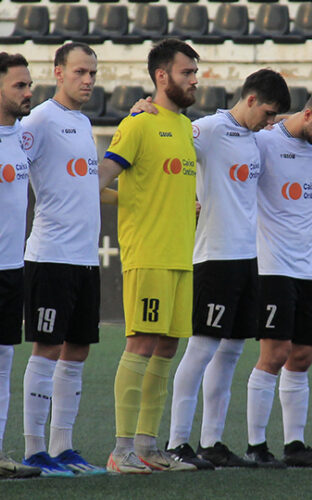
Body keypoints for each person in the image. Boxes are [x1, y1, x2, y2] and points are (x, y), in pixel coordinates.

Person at [163, 69, 291, 469]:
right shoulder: (207, 130)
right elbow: (166, 143)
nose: (270, 122)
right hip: (213, 258)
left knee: (232, 351)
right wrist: (143, 110)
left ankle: (211, 442)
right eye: (268, 113)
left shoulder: (256, 138)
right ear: (250, 99)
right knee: (201, 348)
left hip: (245, 258)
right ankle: (176, 442)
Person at [98, 39, 199, 474]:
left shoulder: (183, 127)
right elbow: (97, 179)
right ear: (162, 76)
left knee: (167, 348)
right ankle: (120, 451)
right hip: (149, 253)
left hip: (181, 255)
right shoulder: (138, 124)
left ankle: (147, 447)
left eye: (195, 73)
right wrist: (128, 203)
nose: (194, 80)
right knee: (141, 343)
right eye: (186, 73)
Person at [244, 87, 312, 468]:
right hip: (271, 266)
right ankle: (256, 445)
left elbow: (308, 197)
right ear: (308, 115)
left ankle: (294, 444)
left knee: (302, 356)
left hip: (306, 267)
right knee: (274, 354)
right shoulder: (264, 142)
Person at [20, 42, 105, 477]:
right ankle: (35, 450)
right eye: (80, 72)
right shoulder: (40, 120)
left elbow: (87, 188)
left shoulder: (83, 121)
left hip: (84, 259)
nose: (88, 80)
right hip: (51, 256)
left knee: (78, 351)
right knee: (47, 348)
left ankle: (63, 447)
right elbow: (13, 167)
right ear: (58, 73)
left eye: (92, 72)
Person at [0, 52, 41, 479]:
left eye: (29, 83)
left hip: (11, 267)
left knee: (1, 360)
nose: (29, 91)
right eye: (20, 85)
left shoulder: (22, 133)